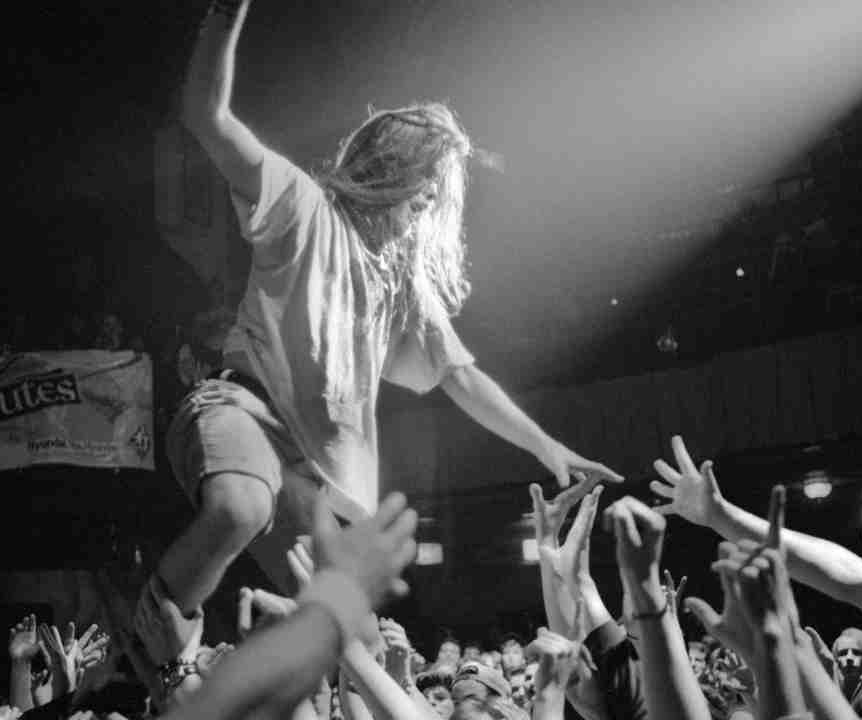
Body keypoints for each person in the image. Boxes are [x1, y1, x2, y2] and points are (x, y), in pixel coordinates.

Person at [138, 0, 622, 673]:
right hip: (238, 410)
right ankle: (157, 641)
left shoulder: (400, 290)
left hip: (305, 479)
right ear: (392, 168)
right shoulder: (299, 206)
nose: (432, 201)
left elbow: (462, 377)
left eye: (439, 193)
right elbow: (206, 115)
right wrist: (226, 13)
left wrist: (549, 448)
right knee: (241, 505)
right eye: (427, 183)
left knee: (361, 642)